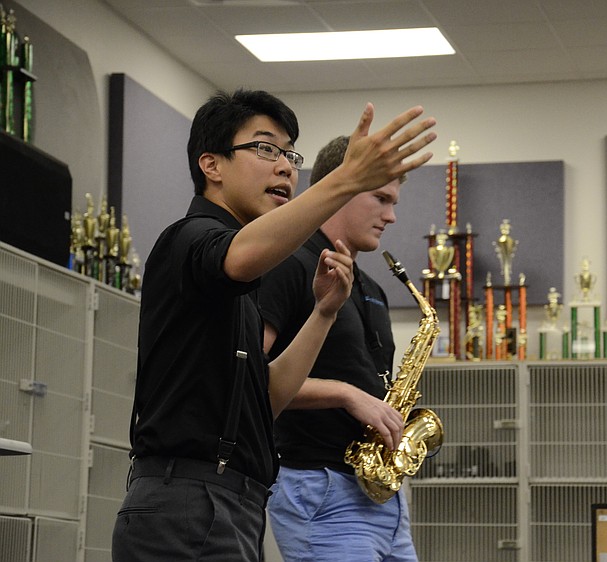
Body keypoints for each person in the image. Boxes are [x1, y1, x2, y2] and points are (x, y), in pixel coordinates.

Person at [111, 90, 436, 561]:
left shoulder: (241, 282)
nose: (285, 166)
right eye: (265, 148)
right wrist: (346, 181)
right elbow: (240, 255)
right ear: (212, 165)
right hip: (185, 498)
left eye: (289, 153)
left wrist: (324, 313)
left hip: (234, 502)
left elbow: (267, 396)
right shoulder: (193, 238)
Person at [258, 135, 416, 561]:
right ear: (342, 187)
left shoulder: (374, 289)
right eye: (381, 199)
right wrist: (347, 395)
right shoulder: (287, 264)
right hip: (320, 488)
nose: (392, 216)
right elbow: (248, 379)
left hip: (380, 493)